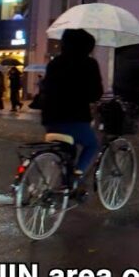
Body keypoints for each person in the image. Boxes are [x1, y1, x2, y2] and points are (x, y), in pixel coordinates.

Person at [40, 29, 103, 183]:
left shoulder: (55, 63)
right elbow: (96, 93)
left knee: (67, 150)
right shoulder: (89, 63)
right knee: (92, 144)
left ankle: (61, 182)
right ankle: (76, 177)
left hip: (50, 117)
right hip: (75, 118)